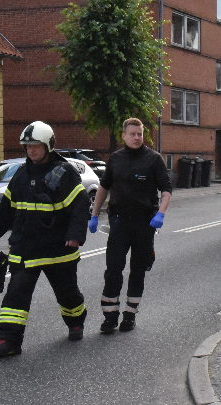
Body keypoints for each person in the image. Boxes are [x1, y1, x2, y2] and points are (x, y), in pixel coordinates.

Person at [0, 121, 90, 356]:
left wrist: (75, 236)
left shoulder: (64, 173)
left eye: (36, 146)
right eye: (27, 146)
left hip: (58, 248)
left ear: (48, 146)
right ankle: (8, 341)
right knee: (16, 293)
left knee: (68, 294)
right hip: (26, 248)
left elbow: (80, 205)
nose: (31, 151)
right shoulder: (22, 174)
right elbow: (8, 205)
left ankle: (76, 321)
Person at [88, 118, 172, 334]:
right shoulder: (116, 159)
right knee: (113, 269)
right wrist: (95, 214)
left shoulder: (154, 159)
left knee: (138, 270)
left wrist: (161, 213)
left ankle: (130, 315)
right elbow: (103, 187)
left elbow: (166, 190)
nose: (136, 137)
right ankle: (110, 317)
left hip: (145, 223)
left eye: (140, 134)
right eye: (132, 134)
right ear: (123, 135)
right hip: (119, 223)